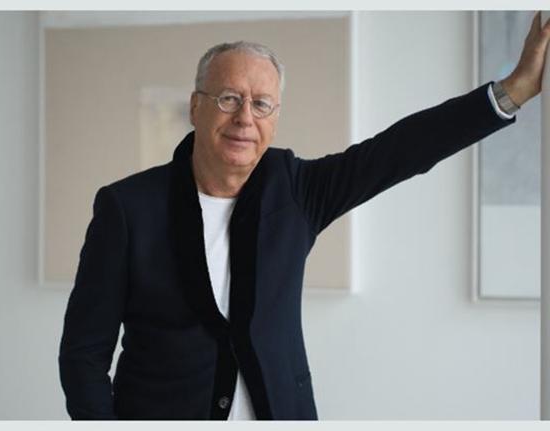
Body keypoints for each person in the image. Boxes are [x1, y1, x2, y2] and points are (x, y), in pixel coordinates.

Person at [59, 13, 550, 420]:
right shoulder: (127, 207)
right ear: (195, 107)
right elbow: (83, 354)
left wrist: (512, 91)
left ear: (275, 118)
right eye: (228, 98)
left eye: (261, 104)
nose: (244, 117)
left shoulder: (294, 190)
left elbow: (401, 150)